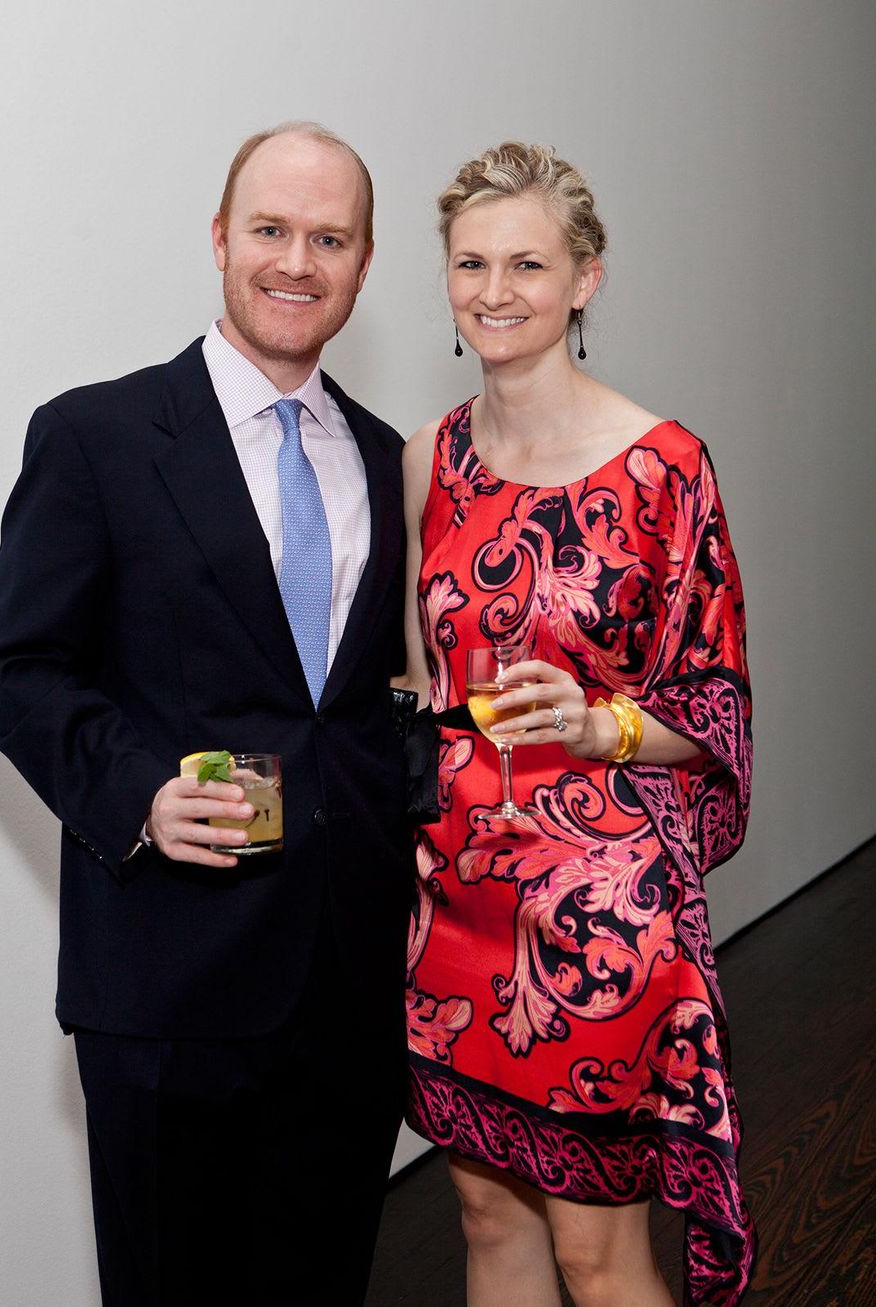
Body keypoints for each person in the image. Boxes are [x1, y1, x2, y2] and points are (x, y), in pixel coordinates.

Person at [0, 122, 410, 1306]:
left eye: (329, 237)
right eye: (270, 228)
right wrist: (139, 793)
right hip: (168, 977)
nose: (296, 260)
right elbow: (18, 667)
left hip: (349, 983)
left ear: (363, 265)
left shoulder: (384, 455)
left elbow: (364, 704)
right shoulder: (96, 435)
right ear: (220, 240)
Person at [398, 143, 754, 1307]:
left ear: (584, 279)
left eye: (527, 264)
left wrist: (604, 726)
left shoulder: (664, 466)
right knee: (483, 1214)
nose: (494, 290)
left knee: (598, 1257)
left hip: (599, 914)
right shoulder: (427, 460)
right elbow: (419, 683)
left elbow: (713, 707)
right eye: (470, 263)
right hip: (452, 898)